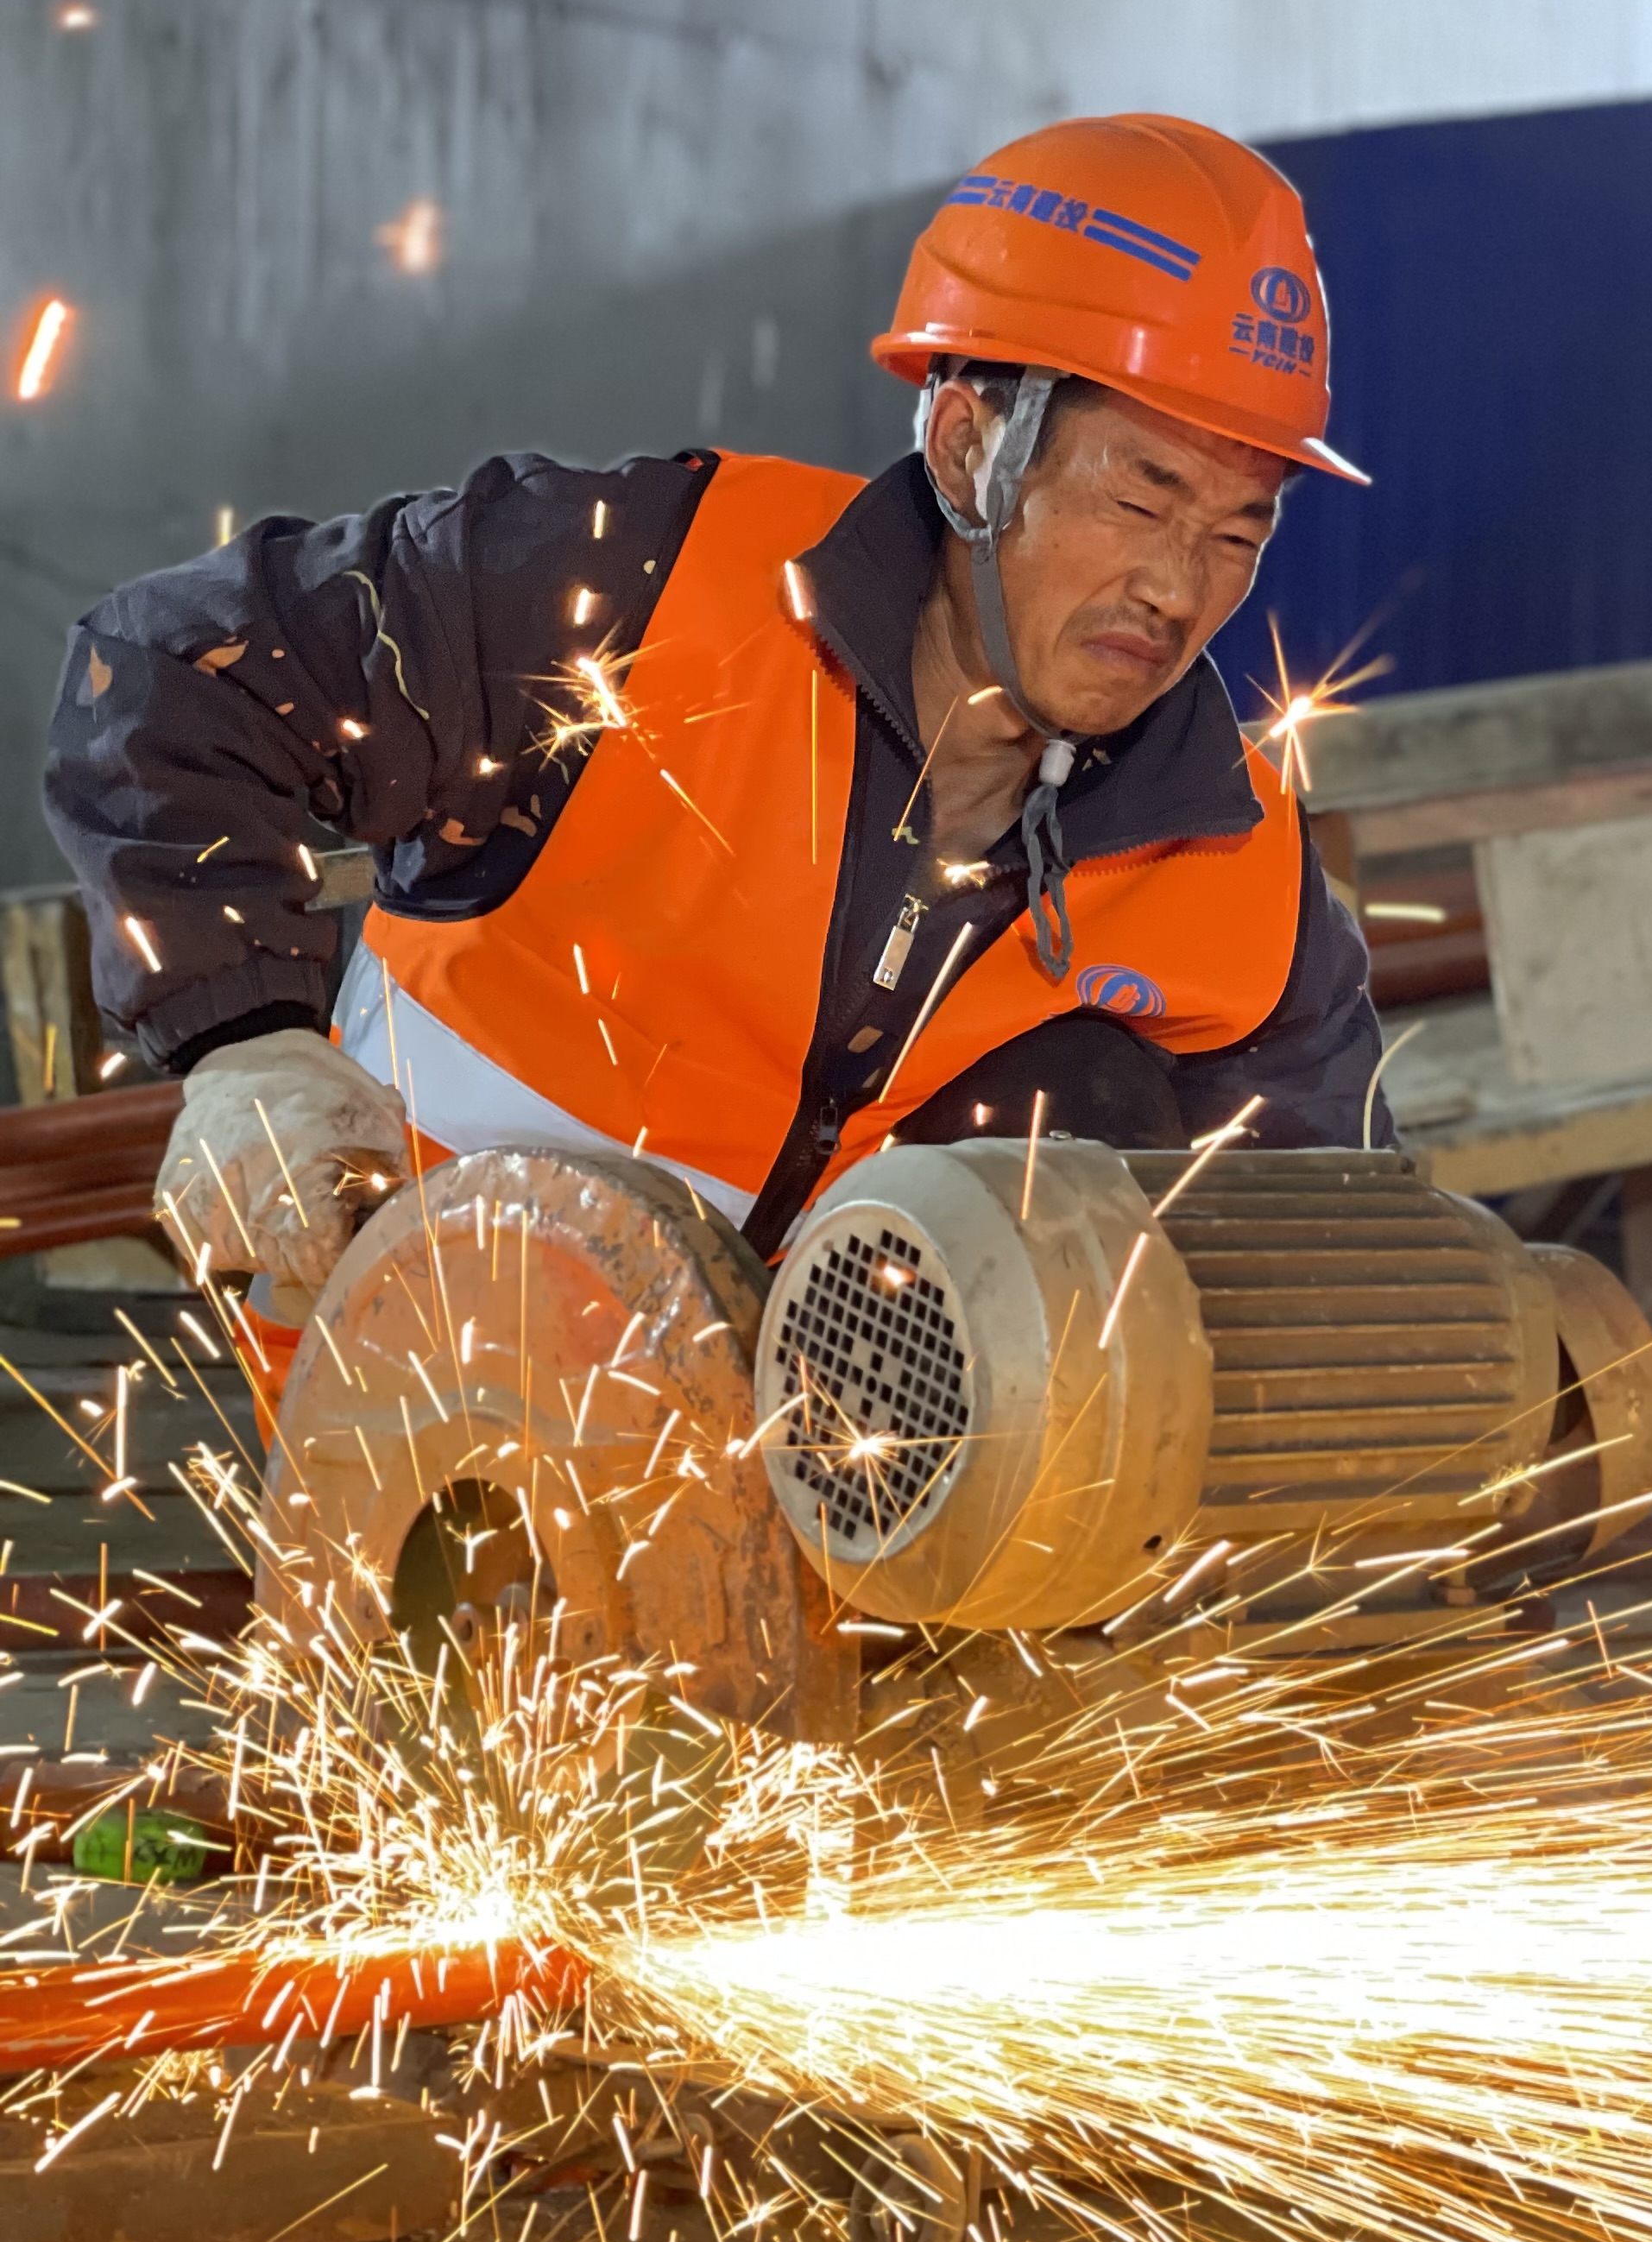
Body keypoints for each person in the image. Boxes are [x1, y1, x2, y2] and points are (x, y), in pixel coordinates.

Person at [39, 113, 1382, 1336]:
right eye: (1141, 501)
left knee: (1092, 1124)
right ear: (970, 447)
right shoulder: (629, 593)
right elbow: (172, 665)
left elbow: (1328, 1261)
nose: (1178, 588)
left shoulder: (1238, 864)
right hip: (428, 1409)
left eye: (1237, 533)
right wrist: (247, 1041)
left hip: (834, 1485)